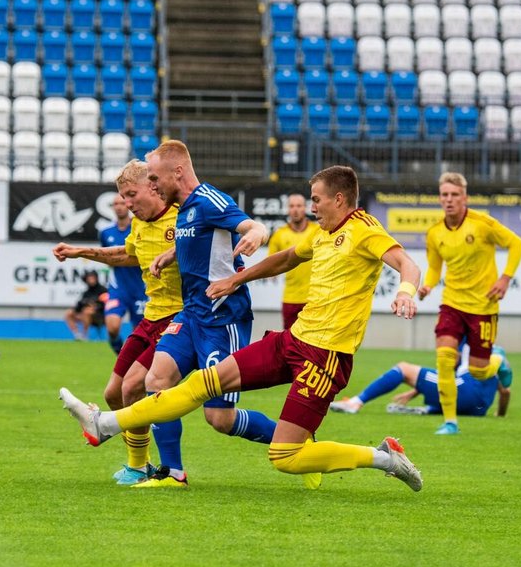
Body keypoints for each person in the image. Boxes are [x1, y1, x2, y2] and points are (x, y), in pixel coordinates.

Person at [60, 165, 425, 492]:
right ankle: (105, 423)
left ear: (340, 198)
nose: (312, 208)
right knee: (202, 383)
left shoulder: (364, 230)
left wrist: (406, 292)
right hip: (291, 341)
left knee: (286, 457)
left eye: (316, 200)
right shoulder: (324, 233)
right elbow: (285, 258)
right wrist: (238, 278)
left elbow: (406, 263)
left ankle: (385, 458)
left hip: (326, 357)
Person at [97, 139, 277, 488]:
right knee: (155, 381)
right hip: (190, 314)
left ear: (176, 172)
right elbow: (198, 243)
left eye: (154, 178)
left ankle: (294, 440)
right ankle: (172, 472)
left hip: (223, 318)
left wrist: (257, 234)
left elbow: (249, 225)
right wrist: (171, 255)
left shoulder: (209, 200)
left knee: (219, 418)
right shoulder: (182, 209)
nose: (151, 185)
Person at [53, 159, 182, 486]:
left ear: (152, 187)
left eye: (130, 194)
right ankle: (140, 464)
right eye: (122, 197)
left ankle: (148, 466)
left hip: (178, 316)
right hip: (152, 316)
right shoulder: (139, 223)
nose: (126, 203)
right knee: (114, 392)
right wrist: (81, 252)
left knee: (132, 387)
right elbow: (128, 255)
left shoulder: (180, 214)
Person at [419, 172, 521, 435]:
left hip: (483, 306)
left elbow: (516, 244)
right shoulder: (434, 233)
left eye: (455, 195)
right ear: (439, 198)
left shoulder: (482, 223)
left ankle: (498, 362)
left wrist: (505, 278)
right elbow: (434, 268)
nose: (449, 200)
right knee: (444, 358)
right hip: (452, 304)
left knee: (479, 372)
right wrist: (428, 285)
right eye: (445, 195)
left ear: (465, 197)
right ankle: (450, 422)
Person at [329, 345, 513, 417]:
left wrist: (417, 386)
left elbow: (448, 369)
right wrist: (500, 415)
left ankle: (356, 402)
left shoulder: (465, 337)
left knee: (403, 368)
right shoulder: (496, 352)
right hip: (478, 409)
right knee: (451, 394)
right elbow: (506, 391)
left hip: (463, 390)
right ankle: (428, 409)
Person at [99, 193, 148, 353]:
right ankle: (120, 355)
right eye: (116, 204)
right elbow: (106, 257)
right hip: (118, 288)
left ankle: (133, 364)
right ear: (113, 208)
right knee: (112, 327)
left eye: (122, 203)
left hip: (140, 287)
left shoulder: (139, 228)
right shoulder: (106, 232)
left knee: (139, 333)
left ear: (128, 205)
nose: (119, 207)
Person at [266, 192, 321, 330]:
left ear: (305, 208)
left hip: (315, 298)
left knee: (314, 344)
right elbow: (270, 263)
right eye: (292, 206)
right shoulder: (279, 234)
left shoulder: (318, 231)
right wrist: (272, 273)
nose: (295, 209)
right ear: (287, 209)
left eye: (299, 206)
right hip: (290, 298)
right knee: (289, 342)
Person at [64, 270, 107, 341]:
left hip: (101, 317)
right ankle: (78, 335)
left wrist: (95, 306)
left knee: (86, 311)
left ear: (96, 278)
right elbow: (78, 308)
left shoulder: (103, 290)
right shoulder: (86, 293)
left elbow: (106, 305)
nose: (91, 280)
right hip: (85, 316)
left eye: (92, 278)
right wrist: (84, 303)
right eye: (89, 278)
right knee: (69, 313)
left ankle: (85, 335)